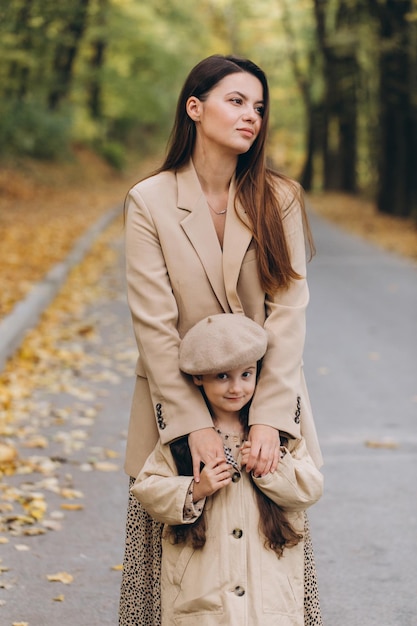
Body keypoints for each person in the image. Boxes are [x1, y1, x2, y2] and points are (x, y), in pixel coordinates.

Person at [119, 54, 323, 625]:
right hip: (176, 412)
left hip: (265, 405)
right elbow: (155, 327)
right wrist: (194, 426)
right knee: (179, 578)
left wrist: (269, 419)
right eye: (235, 101)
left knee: (272, 574)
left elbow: (289, 313)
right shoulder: (149, 201)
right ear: (195, 107)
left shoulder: (278, 197)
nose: (251, 116)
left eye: (258, 106)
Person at [131, 314, 324, 626]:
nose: (237, 388)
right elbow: (147, 488)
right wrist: (195, 489)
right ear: (198, 378)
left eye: (246, 375)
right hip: (202, 595)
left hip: (269, 596)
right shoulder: (183, 441)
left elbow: (310, 488)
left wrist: (270, 470)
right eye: (222, 377)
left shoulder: (277, 435)